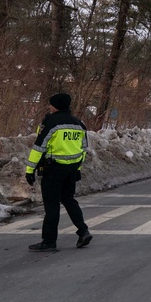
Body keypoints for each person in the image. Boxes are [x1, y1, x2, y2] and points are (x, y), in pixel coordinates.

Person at [25, 92, 92, 251]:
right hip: (71, 169)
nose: (49, 107)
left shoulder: (51, 122)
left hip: (53, 169)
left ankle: (49, 241)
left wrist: (30, 170)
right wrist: (78, 169)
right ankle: (83, 231)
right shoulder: (79, 124)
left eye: (51, 104)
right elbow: (83, 149)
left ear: (56, 106)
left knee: (52, 205)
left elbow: (39, 147)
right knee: (69, 199)